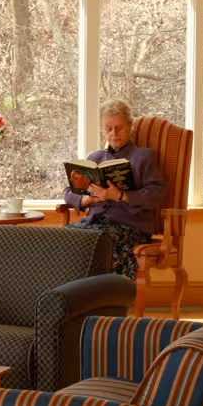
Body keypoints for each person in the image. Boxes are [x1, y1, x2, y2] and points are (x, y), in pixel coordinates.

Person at [64, 99, 166, 278]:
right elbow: (68, 191)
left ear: (130, 126)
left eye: (119, 128)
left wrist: (120, 196)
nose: (114, 133)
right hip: (94, 223)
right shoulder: (94, 158)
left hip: (130, 226)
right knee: (62, 238)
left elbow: (156, 194)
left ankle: (105, 292)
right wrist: (87, 199)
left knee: (99, 241)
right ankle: (73, 292)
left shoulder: (144, 157)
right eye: (108, 129)